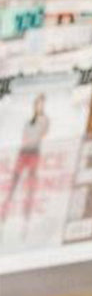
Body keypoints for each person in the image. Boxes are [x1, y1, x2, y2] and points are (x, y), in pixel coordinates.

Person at [1, 93, 48, 225]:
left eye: (41, 104)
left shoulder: (44, 120)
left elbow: (42, 132)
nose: (39, 106)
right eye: (37, 103)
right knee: (14, 182)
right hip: (24, 152)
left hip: (34, 153)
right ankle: (4, 212)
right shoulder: (29, 121)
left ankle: (27, 215)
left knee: (30, 185)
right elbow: (25, 135)